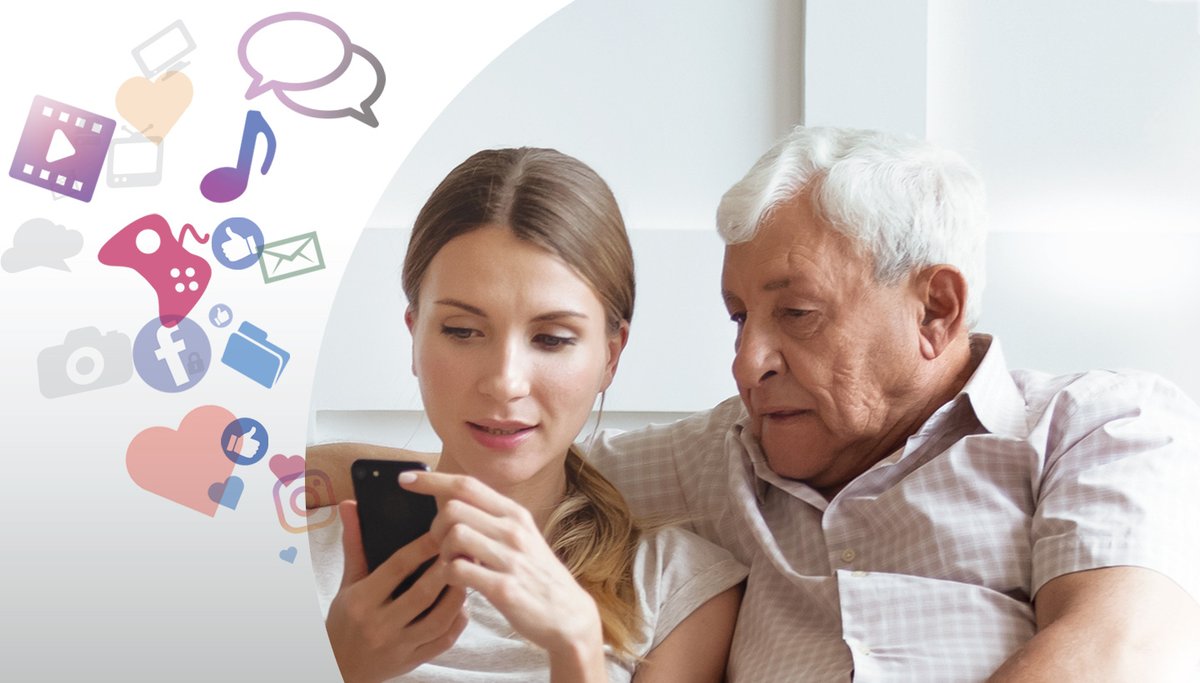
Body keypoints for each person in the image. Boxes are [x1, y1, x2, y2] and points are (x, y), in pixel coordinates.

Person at [310, 127, 1200, 681]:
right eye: (739, 316)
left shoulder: (1094, 427)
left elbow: (1113, 650)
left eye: (796, 316)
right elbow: (522, 455)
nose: (745, 361)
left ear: (935, 310)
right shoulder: (725, 456)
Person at [312, 147, 747, 683]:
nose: (505, 380)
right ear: (413, 335)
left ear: (610, 356)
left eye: (552, 339)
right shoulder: (300, 546)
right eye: (462, 331)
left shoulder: (677, 589)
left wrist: (579, 650)